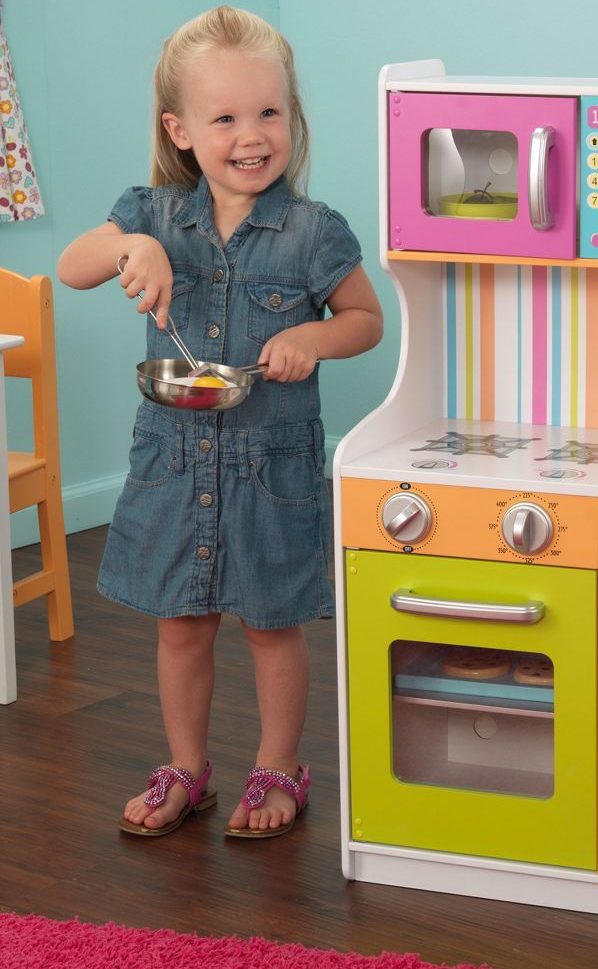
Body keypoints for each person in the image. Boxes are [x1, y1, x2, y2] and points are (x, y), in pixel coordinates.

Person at [56, 6, 383, 839]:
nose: (251, 135)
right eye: (226, 117)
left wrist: (315, 336)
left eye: (268, 112)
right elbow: (72, 265)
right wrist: (134, 251)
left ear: (292, 116)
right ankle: (188, 768)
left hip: (269, 467)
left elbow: (364, 320)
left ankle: (279, 767)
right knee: (182, 626)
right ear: (182, 129)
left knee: (273, 629)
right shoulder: (152, 213)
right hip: (173, 462)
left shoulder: (314, 231)